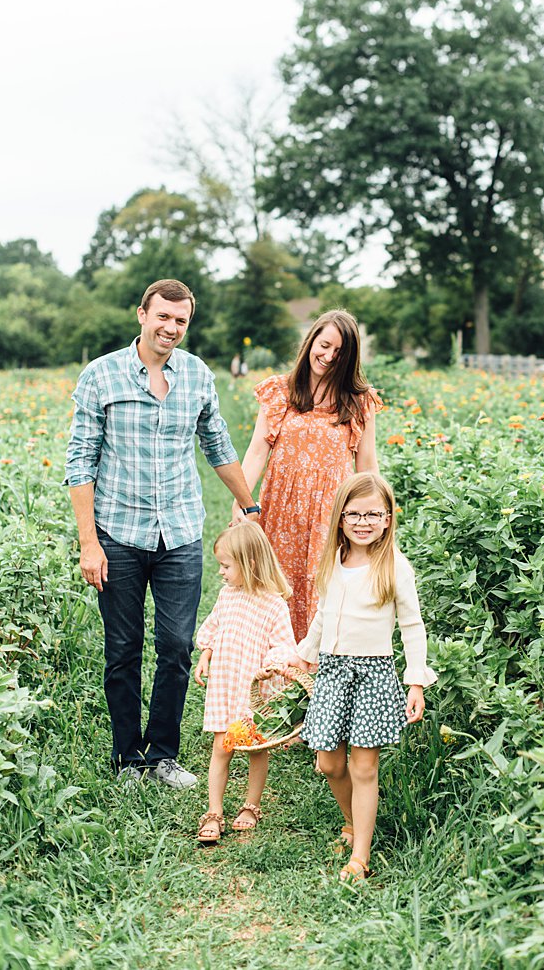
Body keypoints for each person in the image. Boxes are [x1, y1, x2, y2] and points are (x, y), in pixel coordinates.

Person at [65, 279, 262, 787]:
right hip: (117, 533)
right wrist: (89, 542)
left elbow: (217, 444)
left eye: (181, 321)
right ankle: (128, 758)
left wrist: (249, 504)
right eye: (163, 318)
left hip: (178, 531)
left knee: (176, 645)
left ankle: (163, 755)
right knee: (124, 649)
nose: (171, 328)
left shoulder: (197, 375)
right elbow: (80, 462)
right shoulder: (100, 376)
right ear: (142, 315)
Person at [287, 472, 435, 883]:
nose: (364, 521)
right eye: (355, 513)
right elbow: (322, 616)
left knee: (364, 768)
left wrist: (415, 680)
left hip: (373, 673)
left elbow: (412, 627)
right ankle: (352, 820)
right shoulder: (334, 562)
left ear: (388, 519)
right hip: (333, 671)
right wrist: (302, 655)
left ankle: (360, 855)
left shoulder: (394, 567)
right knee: (330, 763)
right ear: (340, 518)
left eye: (374, 513)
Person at [239, 310, 381, 641]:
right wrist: (242, 501)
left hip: (330, 516)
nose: (329, 357)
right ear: (310, 341)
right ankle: (274, 680)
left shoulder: (359, 401)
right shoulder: (281, 391)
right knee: (276, 589)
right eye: (325, 345)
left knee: (324, 594)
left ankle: (316, 683)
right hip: (281, 510)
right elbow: (257, 451)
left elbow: (368, 466)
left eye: (340, 353)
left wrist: (374, 517)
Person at [192, 523, 299, 845]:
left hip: (254, 692)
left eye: (226, 565)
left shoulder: (273, 605)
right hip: (226, 685)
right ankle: (214, 810)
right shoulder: (227, 597)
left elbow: (284, 645)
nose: (221, 573)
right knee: (222, 747)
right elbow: (212, 627)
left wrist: (273, 664)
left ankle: (251, 805)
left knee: (256, 749)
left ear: (250, 563)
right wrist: (205, 655)